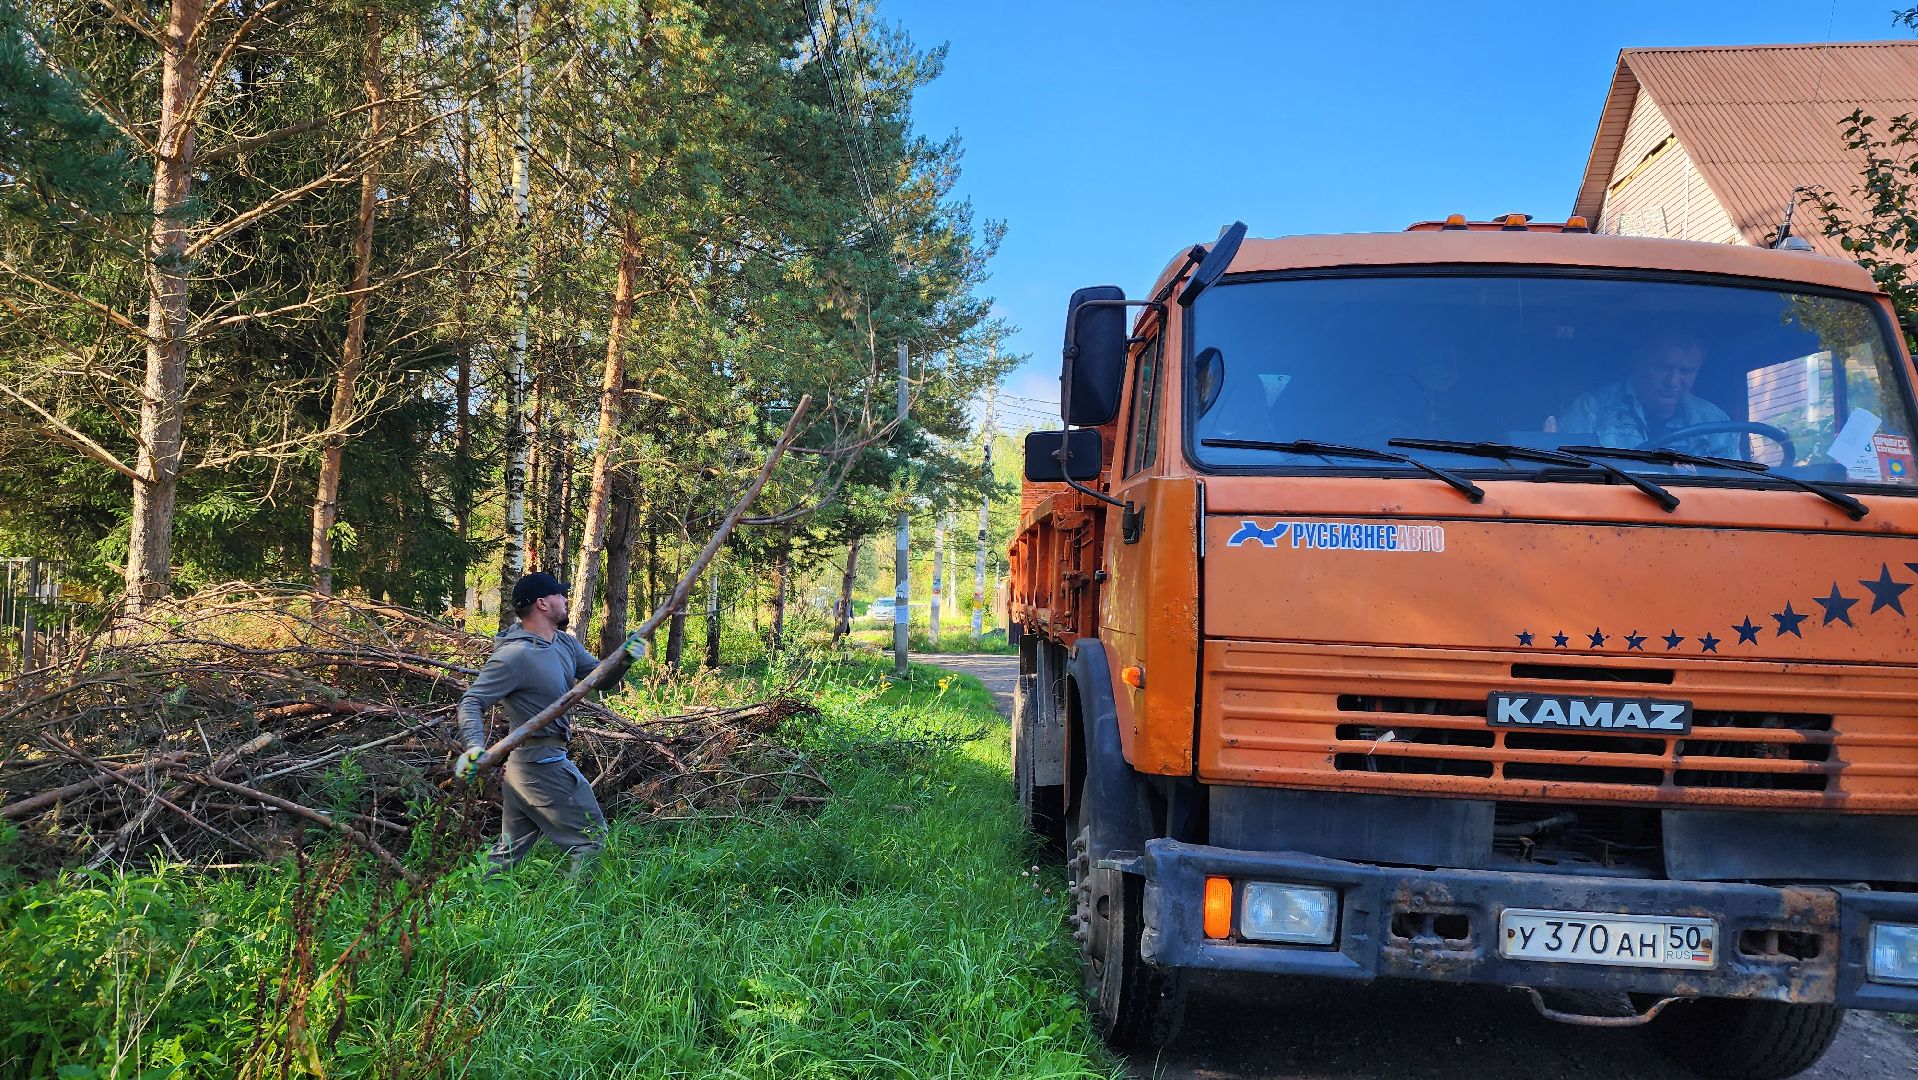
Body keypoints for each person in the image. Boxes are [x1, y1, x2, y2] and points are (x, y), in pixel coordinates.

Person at [454, 571, 638, 875]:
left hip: (532, 765)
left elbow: (600, 679)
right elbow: (472, 701)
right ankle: (582, 913)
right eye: (559, 594)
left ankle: (478, 903)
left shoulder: (564, 644)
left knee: (508, 854)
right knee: (590, 838)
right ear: (542, 603)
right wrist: (474, 746)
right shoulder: (514, 655)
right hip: (539, 766)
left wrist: (625, 658)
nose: (565, 600)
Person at [1553, 336, 1742, 459]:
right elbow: (1564, 476)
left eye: (1686, 371)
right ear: (1638, 361)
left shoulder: (1716, 422)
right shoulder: (1590, 411)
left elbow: (1734, 488)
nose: (1673, 381)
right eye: (1662, 368)